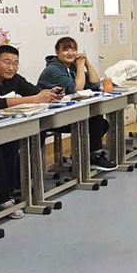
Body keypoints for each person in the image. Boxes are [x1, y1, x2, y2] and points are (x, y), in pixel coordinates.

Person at [0, 45, 64, 218]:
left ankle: (9, 191)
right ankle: (1, 200)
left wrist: (50, 94)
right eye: (7, 62)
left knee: (12, 141)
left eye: (16, 63)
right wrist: (34, 99)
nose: (12, 67)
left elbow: (34, 92)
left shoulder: (14, 78)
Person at [36, 37, 117, 172]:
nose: (71, 53)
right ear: (57, 52)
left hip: (70, 112)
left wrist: (87, 63)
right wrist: (80, 66)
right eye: (66, 50)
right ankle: (90, 157)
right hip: (51, 117)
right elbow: (76, 89)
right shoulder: (53, 70)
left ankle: (86, 156)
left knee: (100, 122)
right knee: (96, 123)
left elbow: (95, 83)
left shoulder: (72, 68)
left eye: (73, 49)